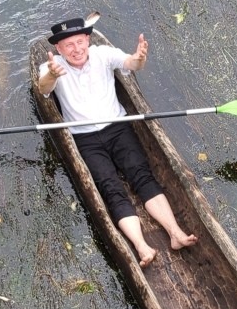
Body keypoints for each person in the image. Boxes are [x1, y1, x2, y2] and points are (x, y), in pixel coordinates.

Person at [37, 16, 197, 267]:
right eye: (68, 45)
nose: (76, 49)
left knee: (142, 176)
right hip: (84, 138)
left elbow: (131, 63)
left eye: (79, 42)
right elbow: (43, 87)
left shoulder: (102, 54)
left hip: (118, 128)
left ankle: (175, 233)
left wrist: (140, 58)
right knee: (111, 189)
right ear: (59, 48)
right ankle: (141, 246)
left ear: (87, 39)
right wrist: (52, 75)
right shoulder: (52, 66)